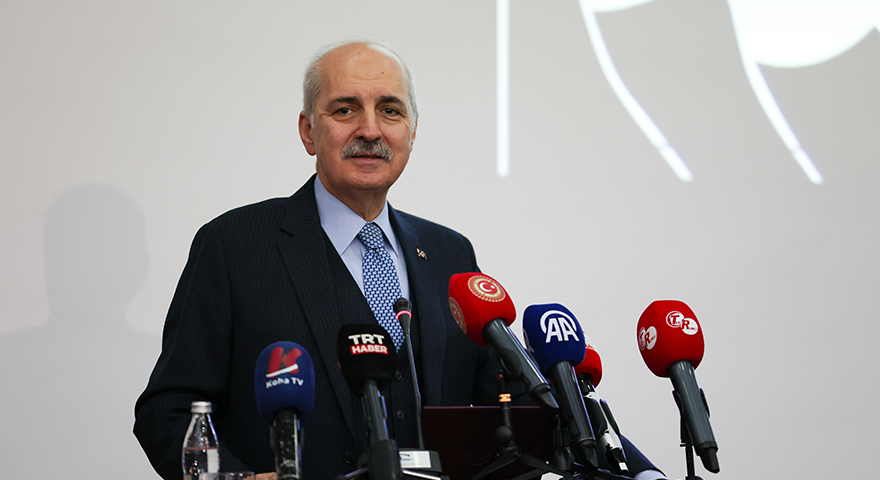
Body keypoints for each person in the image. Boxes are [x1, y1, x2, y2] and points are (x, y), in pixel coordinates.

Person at [134, 40, 665, 480]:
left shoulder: (450, 254)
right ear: (308, 131)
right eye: (345, 109)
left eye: (390, 110)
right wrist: (235, 479)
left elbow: (525, 403)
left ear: (412, 131)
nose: (370, 130)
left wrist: (641, 473)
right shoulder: (235, 245)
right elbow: (169, 410)